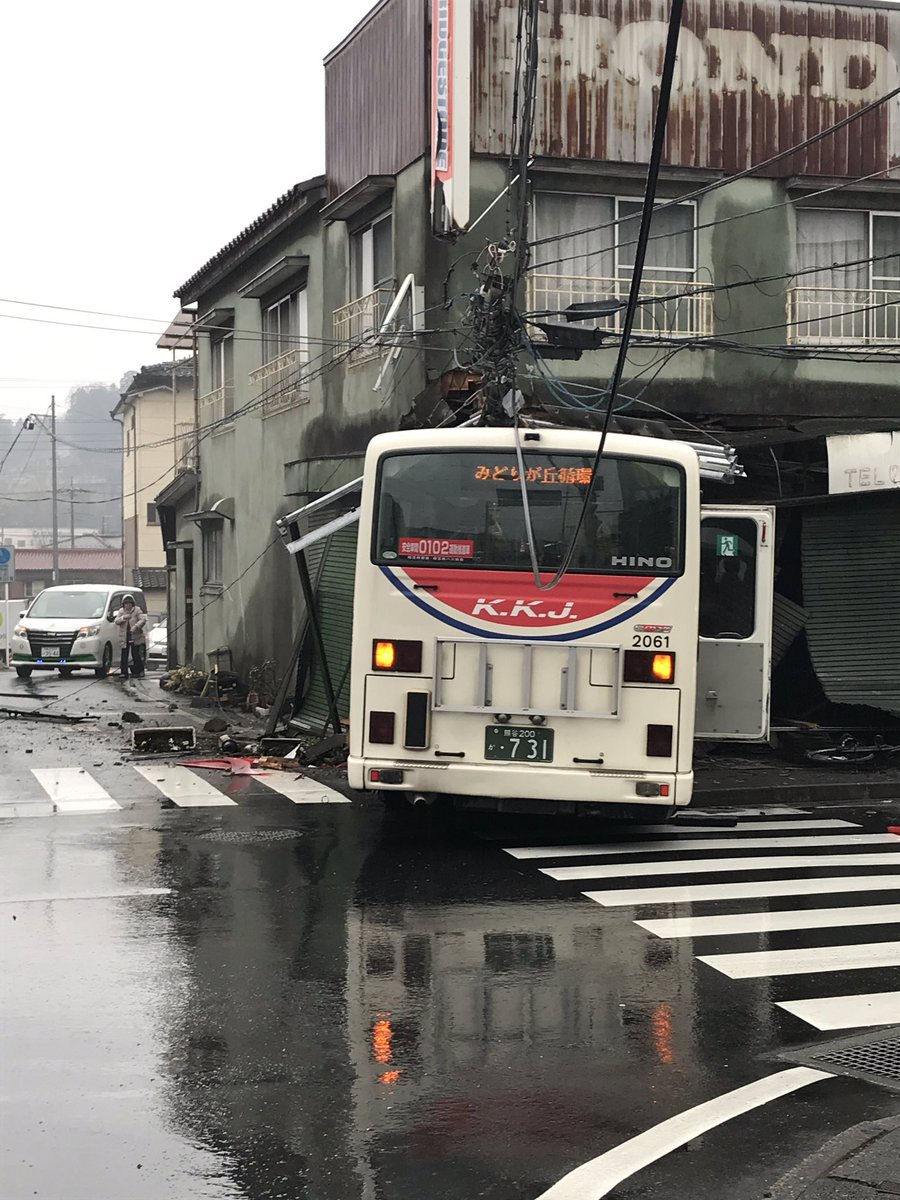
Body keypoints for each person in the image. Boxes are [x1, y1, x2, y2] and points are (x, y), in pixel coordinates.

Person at [114, 594, 148, 679]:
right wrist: (123, 618)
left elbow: (143, 619)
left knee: (135, 654)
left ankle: (139, 671)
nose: (127, 606)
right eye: (125, 604)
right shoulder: (121, 611)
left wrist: (136, 627)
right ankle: (123, 672)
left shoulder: (137, 610)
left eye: (129, 604)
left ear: (132, 604)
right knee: (124, 655)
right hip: (125, 636)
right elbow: (116, 621)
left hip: (135, 636)